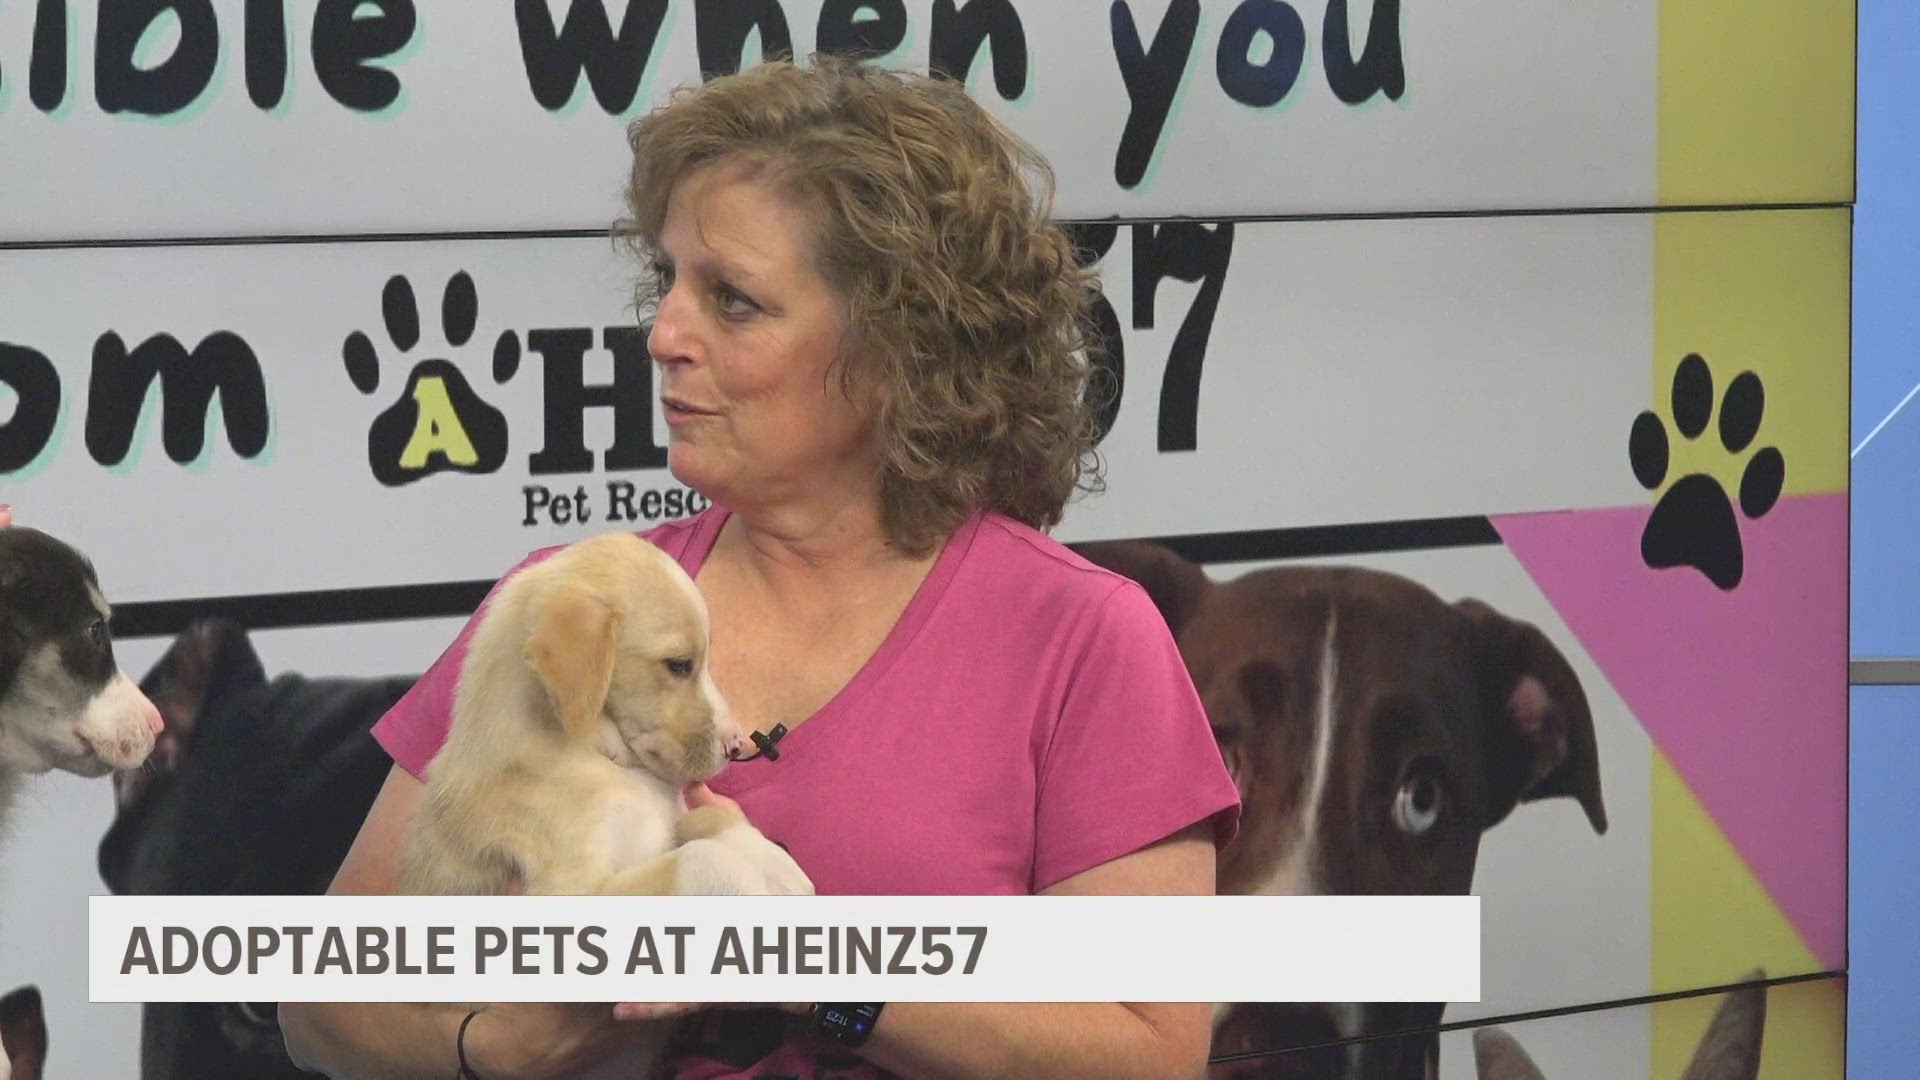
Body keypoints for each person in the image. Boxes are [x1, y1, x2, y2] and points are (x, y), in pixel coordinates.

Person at [278, 57, 1240, 1080]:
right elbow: (324, 997)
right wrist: (487, 1043)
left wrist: (818, 971)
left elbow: (1147, 1051)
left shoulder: (1082, 637)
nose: (662, 335)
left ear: (896, 352)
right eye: (669, 282)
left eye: (732, 301)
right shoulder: (576, 600)